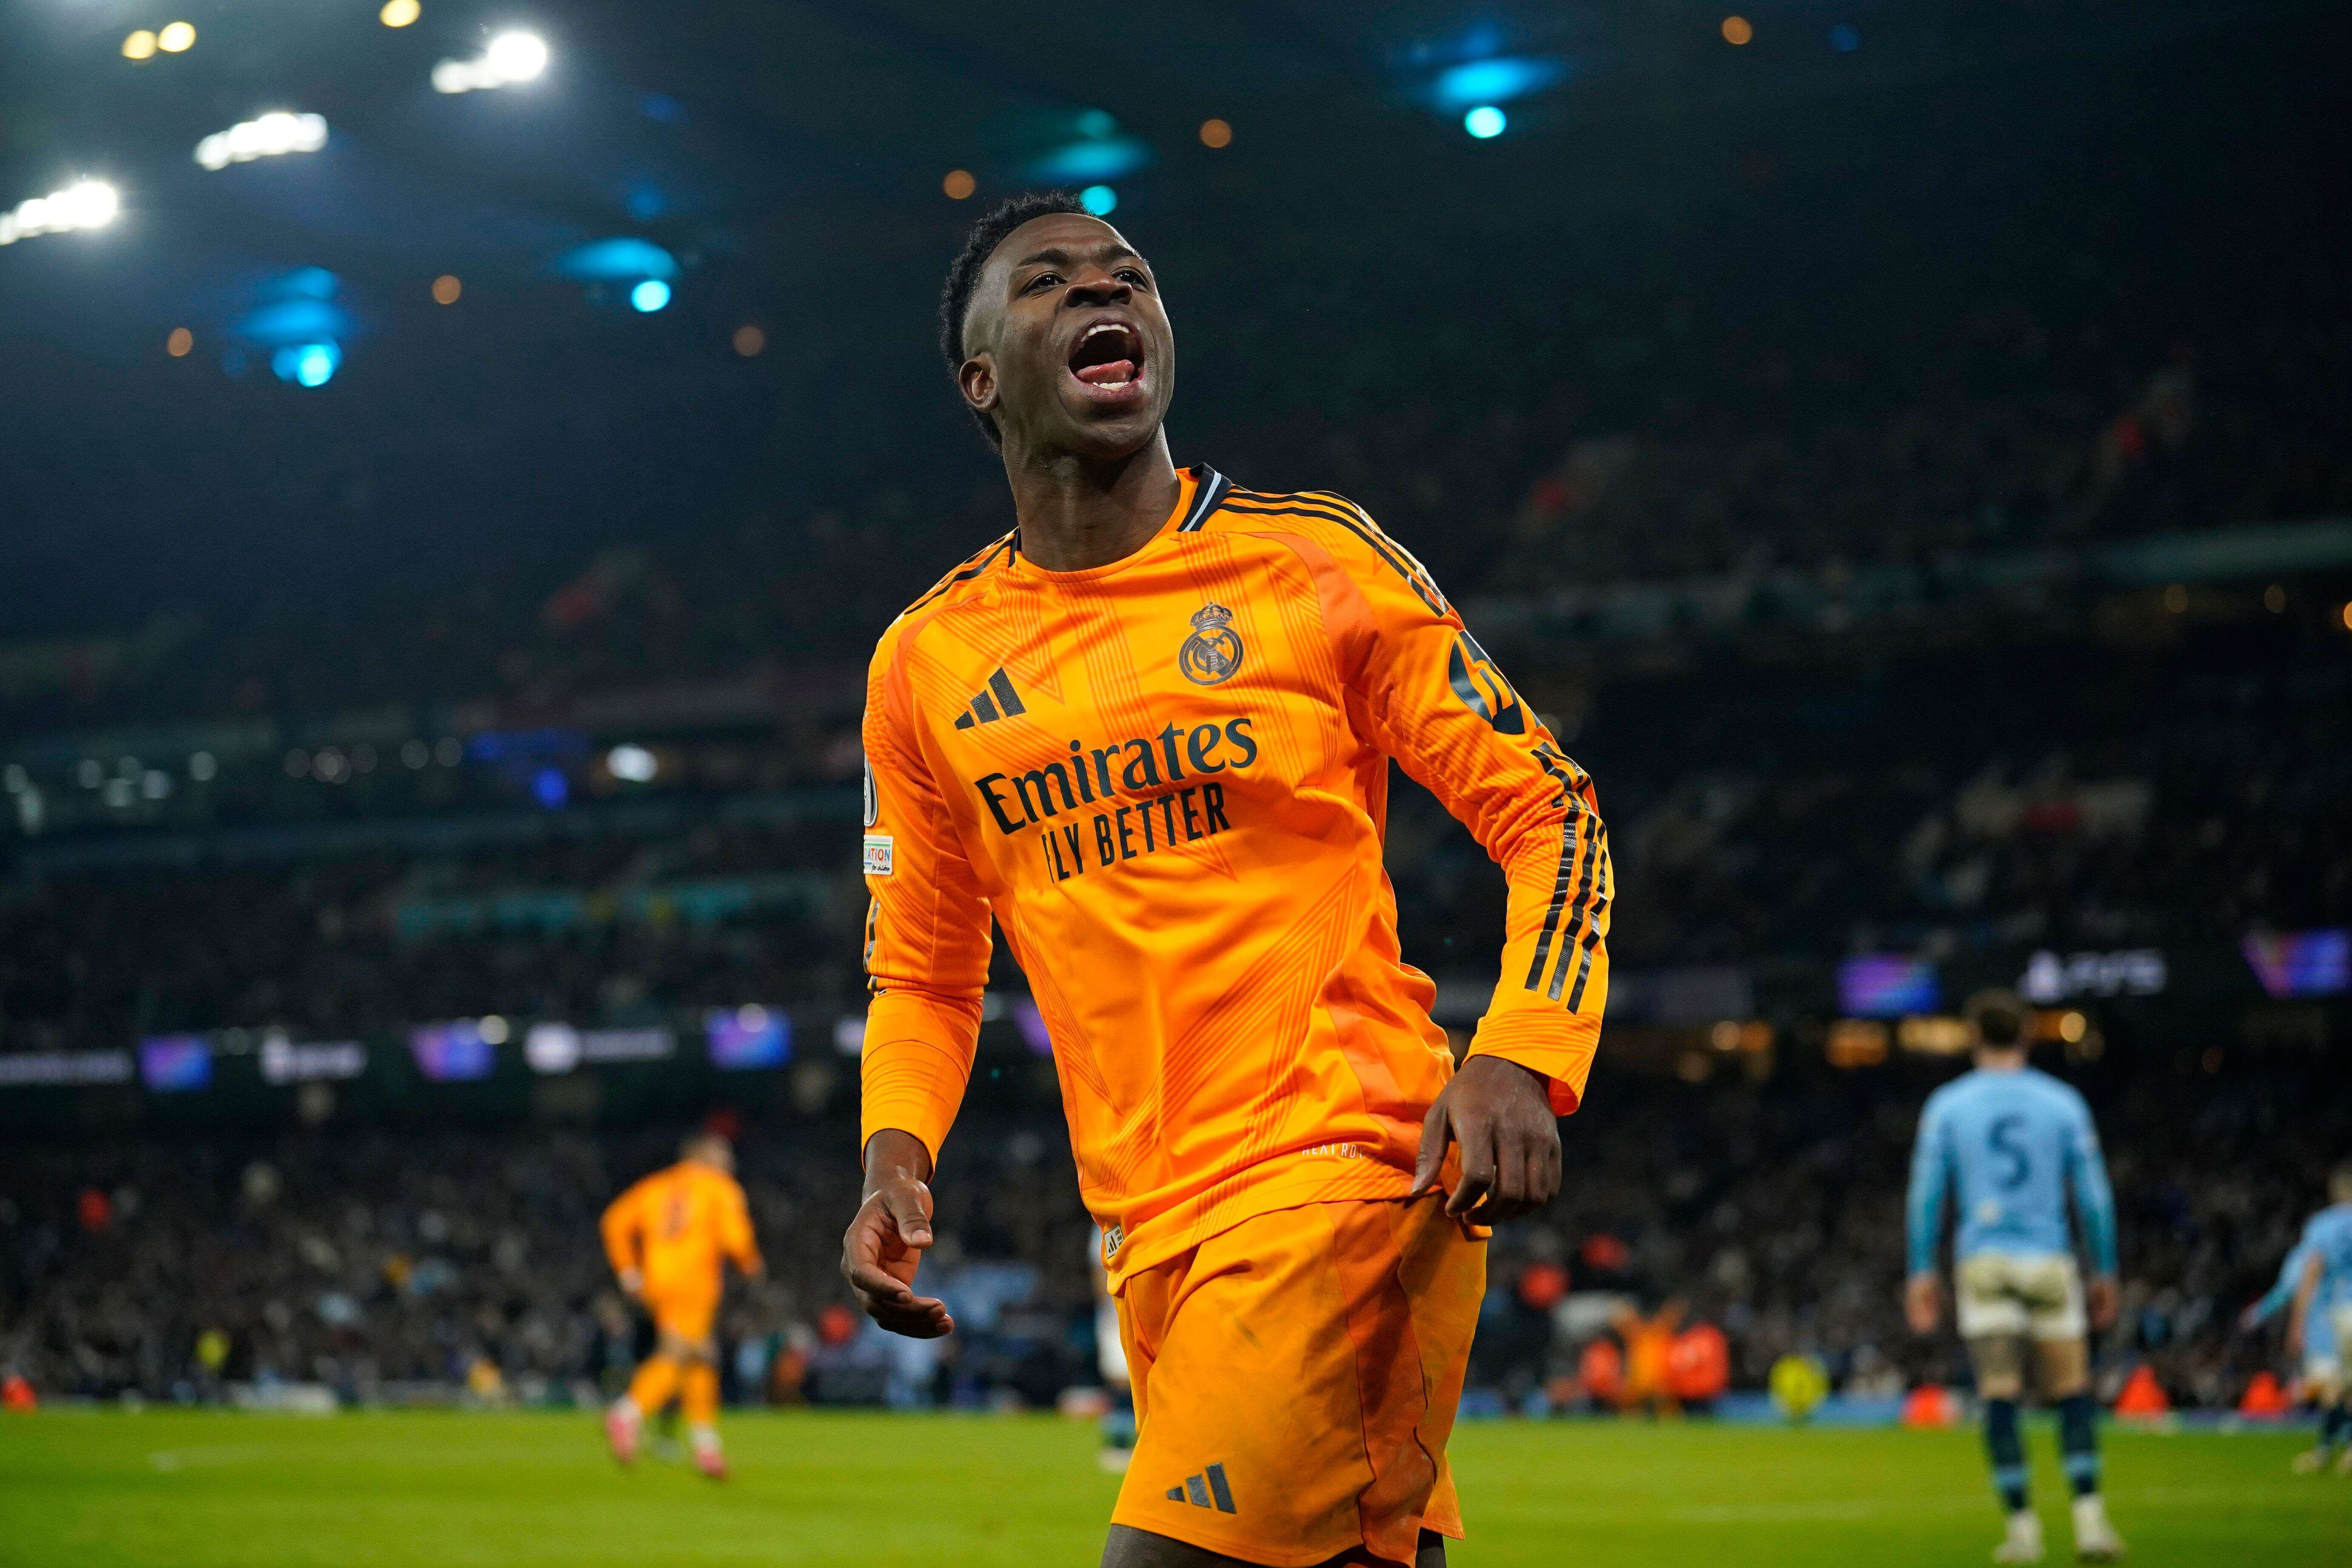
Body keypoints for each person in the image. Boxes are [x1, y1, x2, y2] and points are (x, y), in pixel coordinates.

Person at [840, 191, 1611, 1568]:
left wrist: (1520, 1049)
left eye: (1127, 275)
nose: (1104, 290)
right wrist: (892, 1162)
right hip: (1148, 1230)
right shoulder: (924, 664)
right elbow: (921, 972)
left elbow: (1548, 807)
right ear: (979, 377)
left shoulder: (1310, 560)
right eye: (1049, 281)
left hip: (1342, 1169)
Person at [1905, 989, 2126, 1564]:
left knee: (1998, 1392)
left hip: (1984, 1260)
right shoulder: (2062, 1103)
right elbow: (2094, 1196)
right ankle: (2090, 1524)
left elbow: (1926, 1195)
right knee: (2071, 1390)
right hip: (2048, 1258)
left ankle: (2023, 1533)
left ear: (1973, 1036)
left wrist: (1920, 1269)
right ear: (2027, 1034)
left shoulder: (1948, 1105)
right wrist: (2103, 1269)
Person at [601, 1130, 763, 1479]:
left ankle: (706, 1446)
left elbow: (614, 1222)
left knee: (700, 1357)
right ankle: (627, 1413)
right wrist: (751, 1263)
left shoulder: (656, 1185)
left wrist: (629, 1272)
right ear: (705, 1157)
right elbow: (737, 1239)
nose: (730, 1162)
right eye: (724, 1155)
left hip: (658, 1280)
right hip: (694, 1283)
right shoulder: (719, 1188)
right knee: (678, 1354)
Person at [2281, 1165, 2352, 1474]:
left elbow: (2312, 1271)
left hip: (2334, 1313)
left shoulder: (2323, 1224)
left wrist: (2297, 1321)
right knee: (2348, 1386)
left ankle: (2324, 1450)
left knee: (2329, 1388)